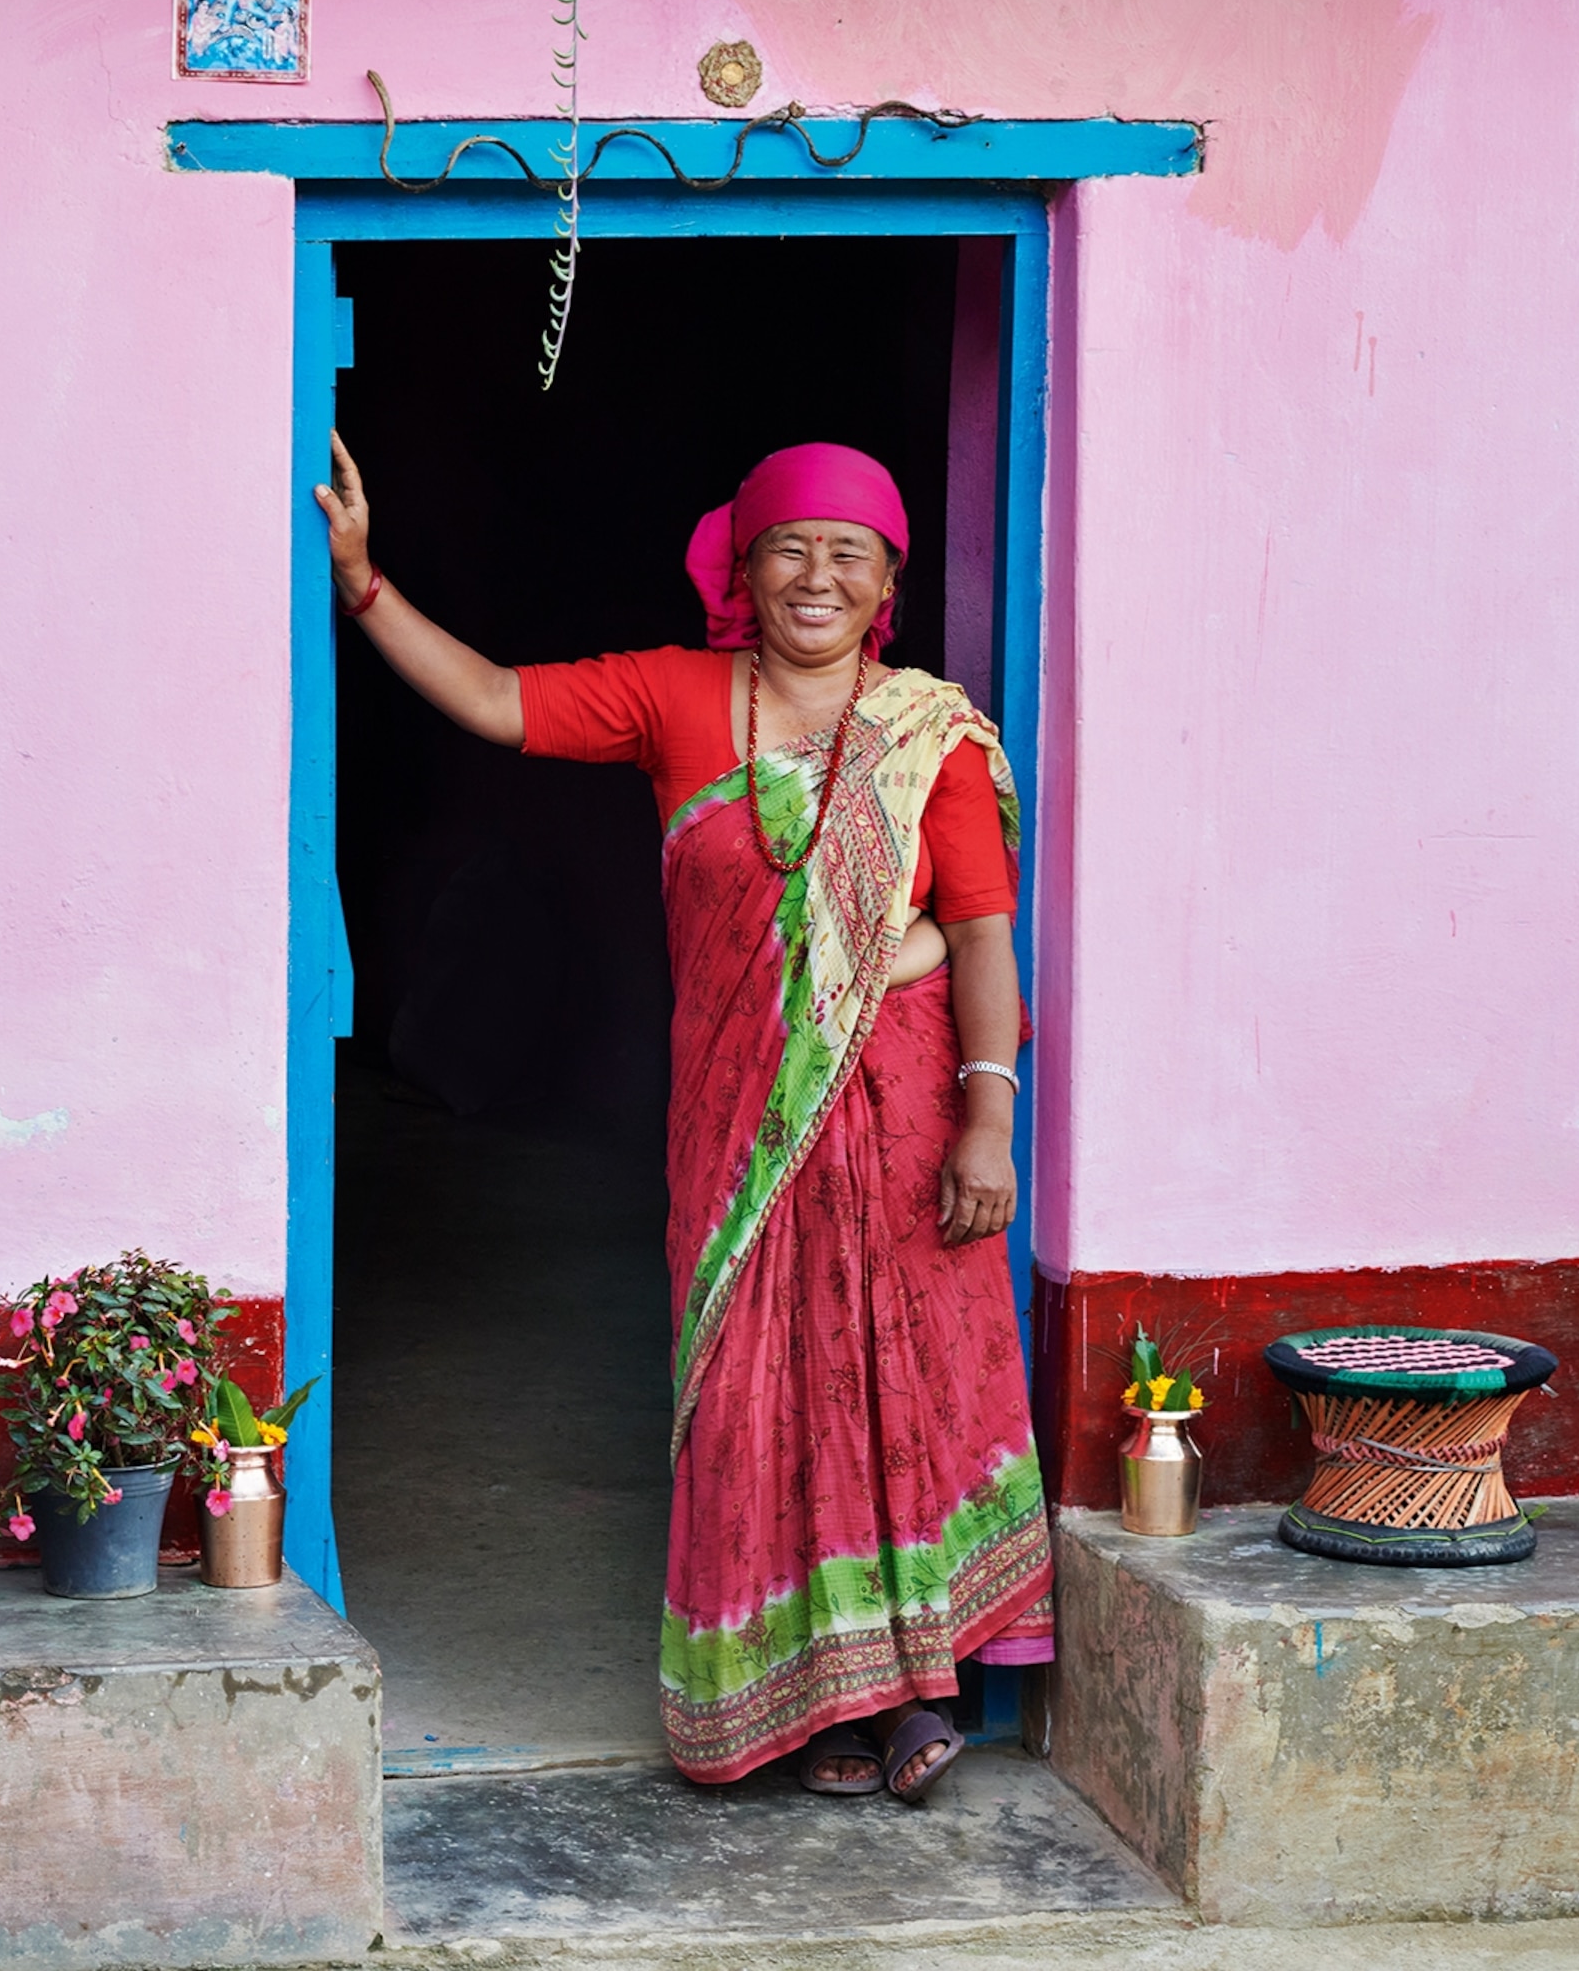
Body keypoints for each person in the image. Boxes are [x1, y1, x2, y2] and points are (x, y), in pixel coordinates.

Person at [316, 434, 1053, 1801]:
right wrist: (364, 584)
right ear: (743, 566)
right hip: (738, 1128)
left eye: (850, 553)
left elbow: (985, 941)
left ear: (888, 580)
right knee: (761, 1395)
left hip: (898, 1121)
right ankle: (806, 1706)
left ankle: (911, 1693)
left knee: (892, 1381)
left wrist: (987, 1122)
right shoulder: (675, 699)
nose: (816, 575)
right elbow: (488, 698)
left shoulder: (930, 736)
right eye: (790, 547)